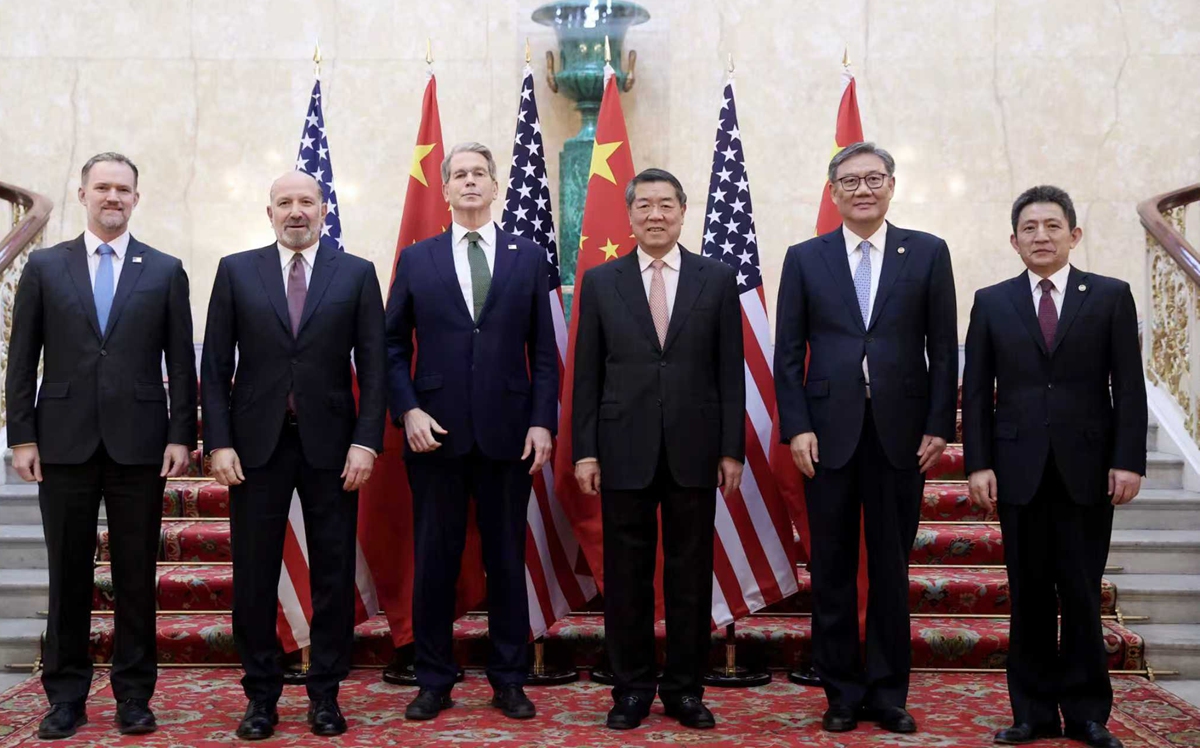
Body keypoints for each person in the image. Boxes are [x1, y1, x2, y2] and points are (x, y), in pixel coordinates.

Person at [5, 152, 197, 739]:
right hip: (61, 444)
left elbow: (181, 363)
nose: (113, 197)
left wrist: (180, 434)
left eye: (123, 189)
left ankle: (135, 696)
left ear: (136, 198)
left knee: (137, 576)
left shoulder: (165, 270)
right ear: (84, 194)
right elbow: (22, 359)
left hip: (141, 446)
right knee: (67, 575)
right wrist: (22, 435)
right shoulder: (44, 267)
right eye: (103, 188)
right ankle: (65, 697)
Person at [774, 142, 958, 734]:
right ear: (833, 192)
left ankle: (886, 693)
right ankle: (840, 693)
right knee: (830, 568)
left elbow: (943, 349)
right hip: (826, 437)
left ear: (892, 185)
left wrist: (939, 424)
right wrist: (796, 425)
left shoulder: (928, 253)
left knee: (889, 568)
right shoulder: (805, 258)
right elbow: (787, 354)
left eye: (874, 178)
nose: (863, 189)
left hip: (901, 436)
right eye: (850, 181)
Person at [200, 170, 386, 739]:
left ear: (324, 210)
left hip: (333, 448)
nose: (296, 211)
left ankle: (326, 695)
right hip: (255, 447)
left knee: (332, 572)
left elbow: (375, 368)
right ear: (269, 212)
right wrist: (220, 440)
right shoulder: (236, 271)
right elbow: (214, 366)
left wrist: (365, 441)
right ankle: (260, 696)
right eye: (285, 202)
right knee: (254, 575)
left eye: (306, 201)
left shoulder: (355, 274)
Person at [963, 185, 1145, 748]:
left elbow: (1129, 387)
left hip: (1088, 470)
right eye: (1029, 228)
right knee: (1031, 593)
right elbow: (976, 392)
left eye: (1052, 226)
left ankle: (1088, 714)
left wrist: (1127, 460)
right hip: (1017, 470)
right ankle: (1033, 712)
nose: (1040, 236)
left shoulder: (1111, 296)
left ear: (1074, 234)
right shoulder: (991, 301)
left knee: (1083, 593)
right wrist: (978, 464)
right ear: (1014, 240)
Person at [386, 142, 556, 722]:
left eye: (479, 173)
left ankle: (509, 677)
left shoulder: (528, 257)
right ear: (445, 188)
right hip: (433, 435)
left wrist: (541, 421)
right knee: (435, 559)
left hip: (509, 435)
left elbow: (547, 353)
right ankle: (434, 678)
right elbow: (388, 346)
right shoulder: (416, 259)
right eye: (459, 174)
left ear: (495, 184)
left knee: (507, 559)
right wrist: (406, 409)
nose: (469, 182)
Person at [572, 168, 745, 731]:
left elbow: (729, 371)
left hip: (696, 449)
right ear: (629, 214)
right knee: (626, 578)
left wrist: (731, 450)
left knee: (690, 575)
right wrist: (586, 451)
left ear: (682, 210)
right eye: (644, 205)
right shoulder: (601, 282)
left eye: (665, 204)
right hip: (622, 449)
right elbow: (587, 375)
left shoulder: (716, 278)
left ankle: (685, 689)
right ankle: (631, 689)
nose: (655, 215)